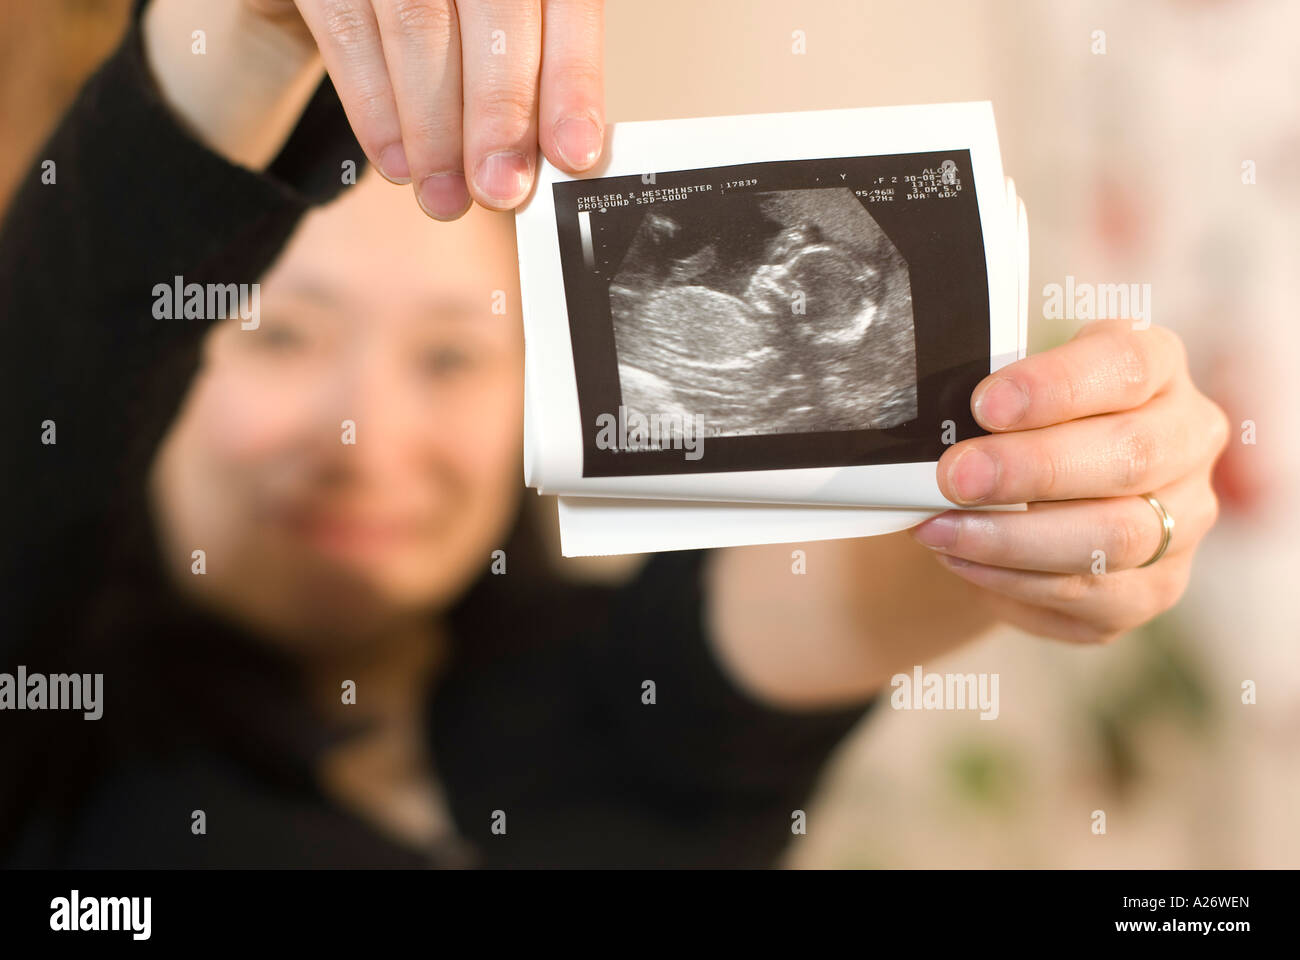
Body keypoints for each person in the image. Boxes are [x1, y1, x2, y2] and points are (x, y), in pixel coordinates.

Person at [0, 0, 1229, 868]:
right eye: (279, 339)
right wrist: (237, 34)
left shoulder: (616, 707)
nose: (365, 436)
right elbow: (52, 362)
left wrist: (1063, 488)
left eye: (451, 356)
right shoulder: (49, 731)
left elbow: (835, 595)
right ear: (158, 364)